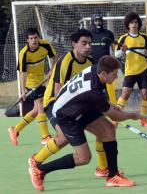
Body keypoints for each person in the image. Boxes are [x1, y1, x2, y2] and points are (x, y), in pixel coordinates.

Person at [28, 56, 139, 191]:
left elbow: (91, 96)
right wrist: (132, 115)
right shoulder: (93, 91)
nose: (116, 78)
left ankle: (112, 176)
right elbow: (115, 116)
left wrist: (109, 104)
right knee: (84, 158)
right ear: (103, 73)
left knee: (108, 129)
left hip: (81, 106)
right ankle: (40, 170)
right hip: (67, 116)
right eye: (114, 75)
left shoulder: (95, 70)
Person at [29, 29, 117, 179]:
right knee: (63, 137)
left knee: (106, 128)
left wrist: (104, 105)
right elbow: (58, 93)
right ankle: (36, 161)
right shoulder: (65, 61)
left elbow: (97, 90)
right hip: (54, 103)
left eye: (90, 43)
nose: (88, 46)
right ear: (74, 44)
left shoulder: (91, 63)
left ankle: (103, 168)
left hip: (78, 105)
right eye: (84, 43)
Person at [8, 27, 57, 146]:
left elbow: (54, 57)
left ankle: (15, 129)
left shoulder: (45, 45)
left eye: (36, 37)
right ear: (27, 40)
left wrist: (52, 70)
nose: (34, 40)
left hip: (42, 80)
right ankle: (45, 136)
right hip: (31, 82)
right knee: (41, 105)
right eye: (31, 38)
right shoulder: (23, 54)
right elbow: (22, 73)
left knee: (36, 110)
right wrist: (22, 90)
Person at [115, 12, 147, 127]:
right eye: (131, 22)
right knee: (125, 94)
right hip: (130, 71)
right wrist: (122, 50)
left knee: (145, 94)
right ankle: (115, 119)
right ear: (128, 25)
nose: (134, 24)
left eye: (136, 22)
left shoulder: (144, 37)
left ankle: (143, 119)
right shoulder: (123, 38)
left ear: (138, 24)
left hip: (143, 70)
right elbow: (116, 55)